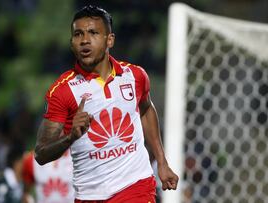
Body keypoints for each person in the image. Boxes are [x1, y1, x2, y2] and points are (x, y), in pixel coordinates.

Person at [34, 5, 179, 203]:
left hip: (135, 187)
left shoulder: (135, 76)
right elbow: (41, 154)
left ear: (110, 39)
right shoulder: (62, 91)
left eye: (93, 33)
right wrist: (70, 137)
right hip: (89, 196)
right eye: (78, 34)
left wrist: (162, 162)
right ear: (71, 43)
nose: (85, 40)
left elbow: (145, 109)